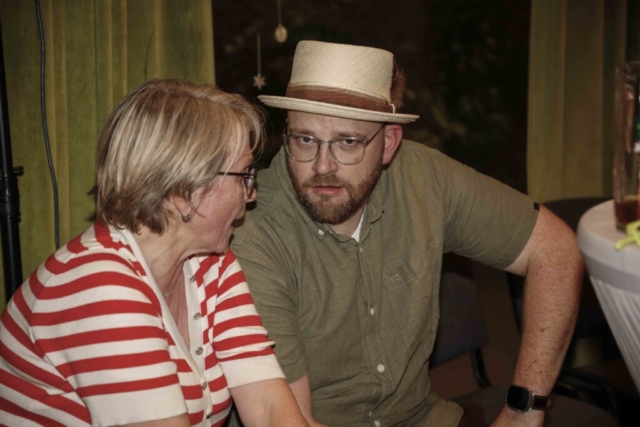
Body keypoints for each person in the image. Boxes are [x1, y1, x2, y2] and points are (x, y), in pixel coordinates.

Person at [229, 41, 618, 426]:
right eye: (305, 139)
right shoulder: (254, 233)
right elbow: (287, 421)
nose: (322, 166)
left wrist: (524, 409)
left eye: (348, 142)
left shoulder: (426, 179)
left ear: (388, 145)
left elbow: (556, 251)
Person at [0, 79, 309, 427]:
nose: (251, 194)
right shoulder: (97, 285)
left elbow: (269, 409)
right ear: (184, 192)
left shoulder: (210, 262)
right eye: (243, 176)